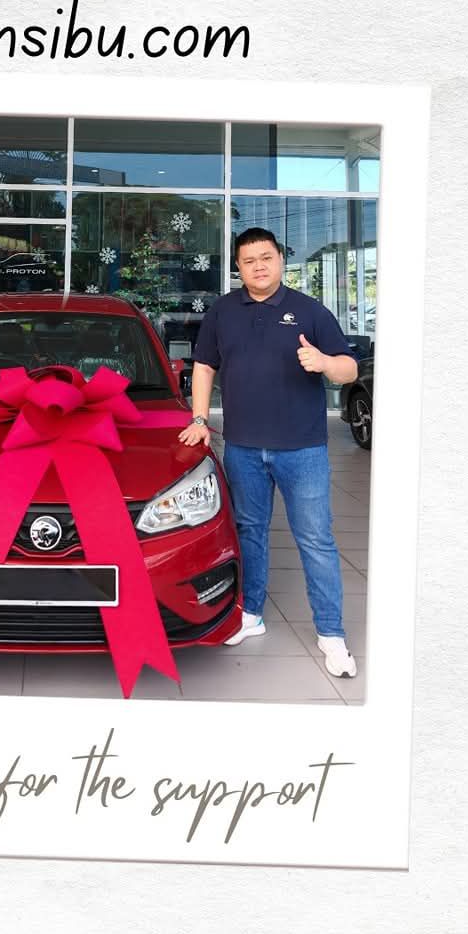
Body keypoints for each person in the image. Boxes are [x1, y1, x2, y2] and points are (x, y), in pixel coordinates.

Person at [178, 228, 360, 678]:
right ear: (238, 268)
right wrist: (199, 418)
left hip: (303, 450)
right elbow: (205, 366)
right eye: (249, 261)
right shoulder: (223, 311)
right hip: (243, 447)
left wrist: (325, 363)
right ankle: (251, 614)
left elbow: (349, 368)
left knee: (315, 539)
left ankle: (331, 633)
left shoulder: (309, 311)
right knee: (250, 533)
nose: (259, 266)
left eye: (266, 257)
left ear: (280, 259)